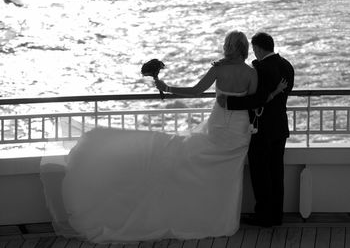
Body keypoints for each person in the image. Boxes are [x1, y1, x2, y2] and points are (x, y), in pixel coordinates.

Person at [40, 30, 257, 243]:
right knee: (227, 176)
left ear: (228, 47)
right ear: (245, 48)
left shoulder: (218, 70)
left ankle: (202, 218)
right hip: (239, 131)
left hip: (217, 127)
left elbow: (195, 91)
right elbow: (254, 102)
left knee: (196, 166)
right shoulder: (251, 73)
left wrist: (167, 87)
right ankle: (223, 222)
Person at [219, 32, 294, 227]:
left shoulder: (260, 68)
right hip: (280, 126)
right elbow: (280, 95)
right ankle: (276, 215)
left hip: (261, 129)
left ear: (259, 48)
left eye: (254, 49)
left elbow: (258, 99)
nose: (254, 53)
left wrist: (230, 102)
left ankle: (263, 216)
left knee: (261, 174)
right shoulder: (287, 65)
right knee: (277, 173)